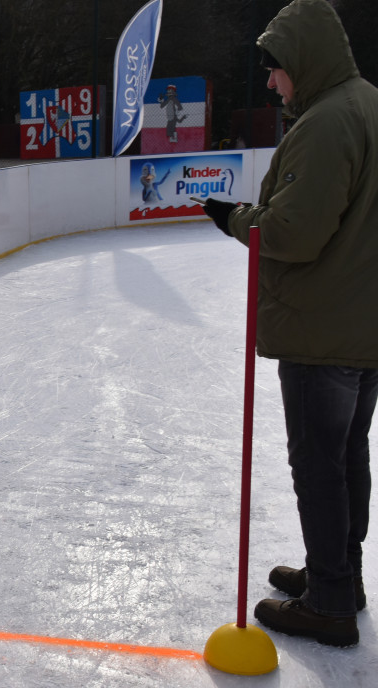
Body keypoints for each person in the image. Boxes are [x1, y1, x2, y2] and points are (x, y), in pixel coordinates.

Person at [202, 0, 378, 648]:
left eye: (276, 71)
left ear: (301, 62)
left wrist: (235, 219)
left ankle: (330, 600)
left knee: (319, 464)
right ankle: (341, 577)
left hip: (321, 325)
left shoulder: (327, 122)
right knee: (345, 455)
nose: (273, 84)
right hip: (361, 328)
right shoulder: (368, 105)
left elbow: (293, 232)